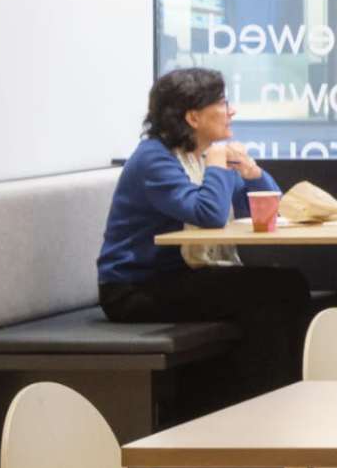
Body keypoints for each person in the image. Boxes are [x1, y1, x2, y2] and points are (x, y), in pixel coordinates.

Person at [95, 67, 313, 396]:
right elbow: (208, 214)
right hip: (133, 288)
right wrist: (217, 162)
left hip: (180, 275)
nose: (232, 111)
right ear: (194, 117)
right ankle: (262, 403)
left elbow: (269, 210)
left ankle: (278, 396)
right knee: (270, 292)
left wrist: (253, 173)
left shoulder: (198, 156)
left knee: (287, 285)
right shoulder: (153, 159)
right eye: (223, 104)